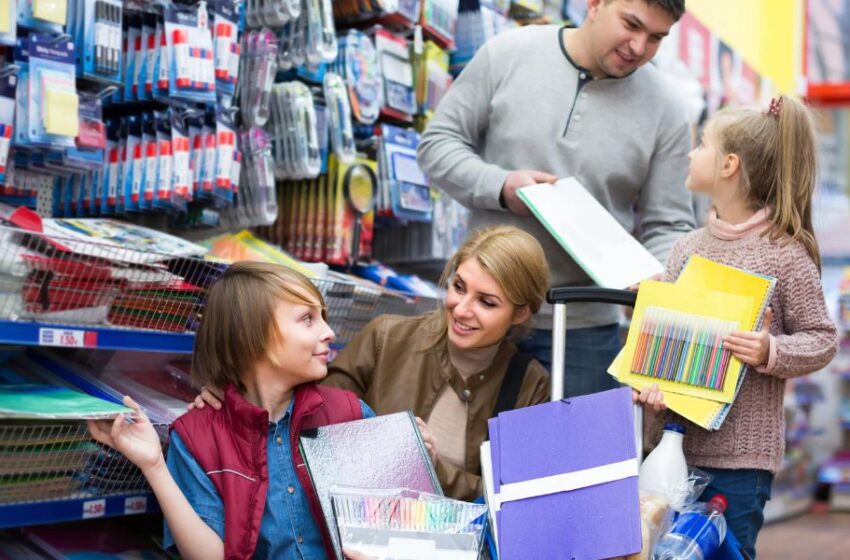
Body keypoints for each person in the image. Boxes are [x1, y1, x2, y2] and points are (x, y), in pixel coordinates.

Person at [417, 0, 695, 398]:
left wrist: (656, 272)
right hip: (479, 312)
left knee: (570, 461)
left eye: (656, 38)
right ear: (594, 5)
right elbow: (437, 146)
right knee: (454, 453)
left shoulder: (668, 109)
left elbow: (669, 223)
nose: (638, 47)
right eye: (631, 25)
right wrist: (501, 186)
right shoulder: (508, 53)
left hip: (582, 328)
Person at [195, 226, 552, 501]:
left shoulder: (529, 382)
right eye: (459, 287)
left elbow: (514, 496)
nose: (461, 309)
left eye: (487, 303)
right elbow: (307, 417)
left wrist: (431, 468)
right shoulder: (387, 337)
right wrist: (233, 392)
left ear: (520, 312)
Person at [87, 262, 409, 560]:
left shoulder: (351, 415)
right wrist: (154, 465)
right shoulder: (196, 436)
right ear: (253, 335)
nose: (329, 332)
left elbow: (399, 534)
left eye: (322, 316)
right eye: (307, 318)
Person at [635, 95, 839, 558]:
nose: (691, 153)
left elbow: (822, 339)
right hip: (670, 447)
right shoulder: (686, 249)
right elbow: (666, 345)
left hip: (739, 463)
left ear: (728, 165)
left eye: (701, 143)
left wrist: (771, 350)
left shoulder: (784, 255)